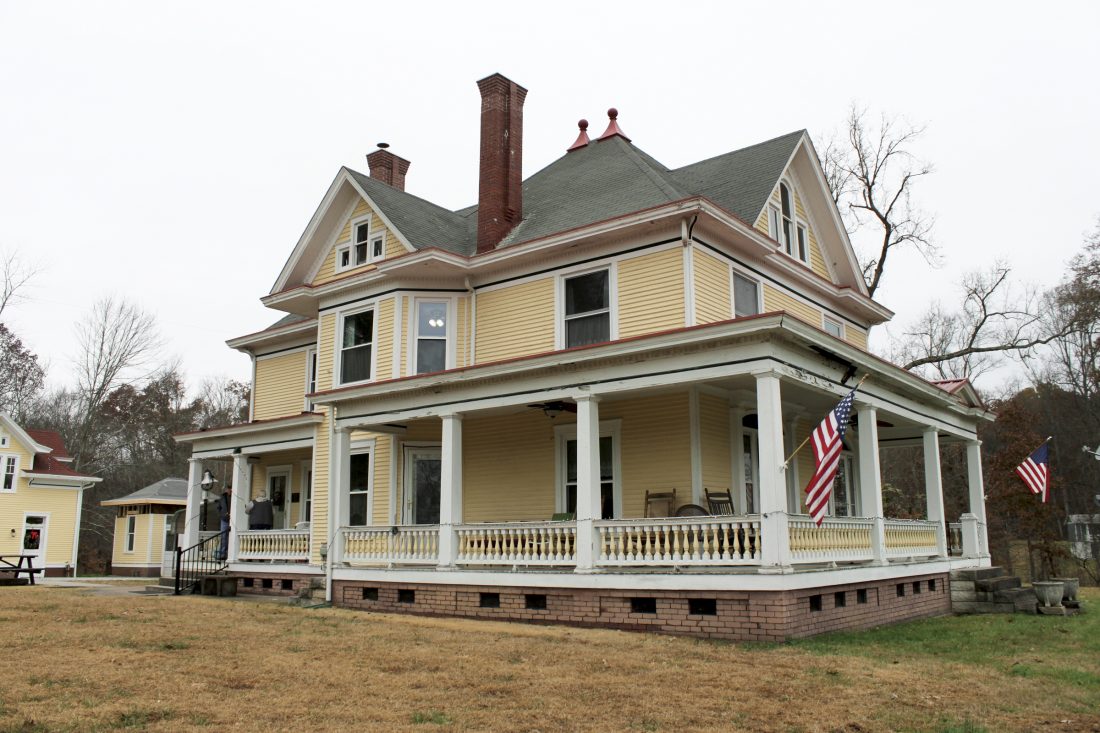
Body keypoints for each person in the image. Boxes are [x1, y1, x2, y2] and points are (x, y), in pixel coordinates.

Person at [215, 486, 232, 561]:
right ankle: (222, 553)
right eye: (228, 489)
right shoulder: (222, 498)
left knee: (231, 536)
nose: (229, 491)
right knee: (223, 536)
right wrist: (222, 514)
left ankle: (230, 553)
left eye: (230, 489)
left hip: (233, 519)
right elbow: (218, 508)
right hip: (224, 519)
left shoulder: (234, 497)